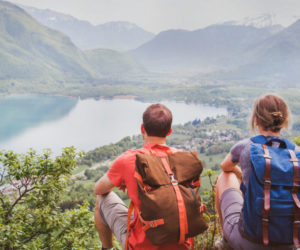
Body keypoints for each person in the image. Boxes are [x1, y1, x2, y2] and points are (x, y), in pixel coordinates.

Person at [94, 104, 189, 250]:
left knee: (102, 200)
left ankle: (107, 248)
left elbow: (99, 189)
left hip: (144, 245)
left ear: (142, 129)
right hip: (181, 243)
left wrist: (125, 179)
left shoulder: (129, 160)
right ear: (169, 132)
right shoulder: (184, 159)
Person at [215, 94, 300, 249]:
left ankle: (226, 241)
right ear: (284, 120)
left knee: (224, 177)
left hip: (248, 241)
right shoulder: (297, 153)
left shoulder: (246, 146)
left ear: (256, 120)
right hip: (289, 242)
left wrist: (242, 175)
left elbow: (225, 166)